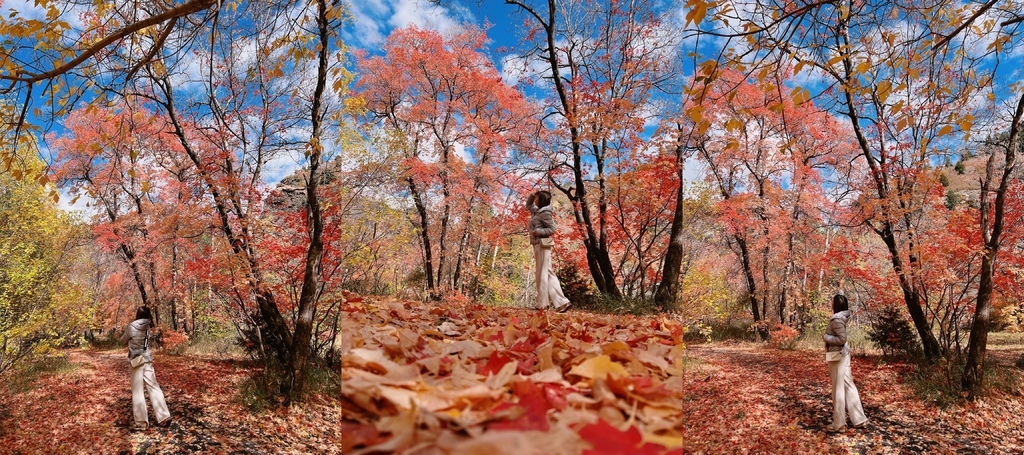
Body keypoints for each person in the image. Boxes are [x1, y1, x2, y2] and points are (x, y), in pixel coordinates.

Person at [120, 307, 170, 430]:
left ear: (138, 314)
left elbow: (122, 340)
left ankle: (142, 422)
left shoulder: (132, 326)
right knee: (154, 387)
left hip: (136, 361)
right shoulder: (148, 326)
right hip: (147, 360)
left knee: (138, 391)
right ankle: (164, 416)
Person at [823, 294, 867, 433]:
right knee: (848, 385)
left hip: (838, 356)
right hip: (843, 355)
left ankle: (839, 424)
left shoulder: (836, 319)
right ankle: (859, 419)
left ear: (835, 305)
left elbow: (842, 339)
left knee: (838, 388)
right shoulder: (842, 317)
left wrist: (826, 337)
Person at [527, 190, 570, 312]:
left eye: (537, 198)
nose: (535, 200)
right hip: (538, 245)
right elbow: (528, 205)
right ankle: (562, 303)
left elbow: (551, 229)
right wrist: (533, 194)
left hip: (542, 245)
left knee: (541, 274)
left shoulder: (545, 213)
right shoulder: (537, 211)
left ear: (542, 200)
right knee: (548, 274)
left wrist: (537, 232)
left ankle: (542, 304)